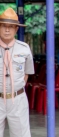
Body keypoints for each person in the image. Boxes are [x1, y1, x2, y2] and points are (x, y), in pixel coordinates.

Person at [0, 8, 34, 137]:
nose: (7, 30)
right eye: (4, 26)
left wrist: (16, 89)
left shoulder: (24, 48)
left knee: (21, 134)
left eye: (11, 27)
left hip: (17, 99)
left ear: (16, 29)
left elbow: (27, 73)